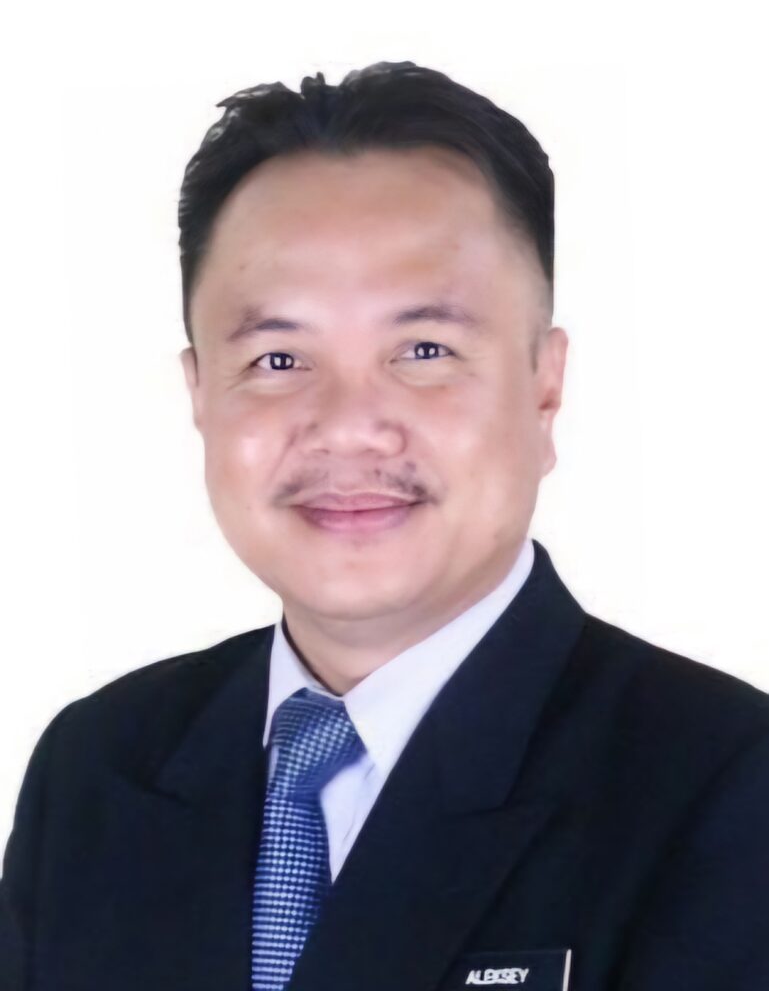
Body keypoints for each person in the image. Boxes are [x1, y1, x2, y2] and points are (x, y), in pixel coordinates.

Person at [1, 60, 768, 991]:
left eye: (423, 349)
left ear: (543, 387)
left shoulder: (726, 784)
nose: (347, 427)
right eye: (278, 358)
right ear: (200, 393)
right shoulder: (98, 766)